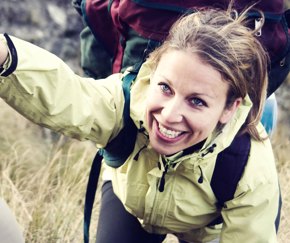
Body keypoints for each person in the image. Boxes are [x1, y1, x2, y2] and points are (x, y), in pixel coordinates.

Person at [0, 6, 281, 243]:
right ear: (153, 72)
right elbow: (67, 95)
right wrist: (5, 56)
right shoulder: (127, 99)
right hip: (132, 203)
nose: (169, 115)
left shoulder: (249, 168)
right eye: (166, 88)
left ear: (229, 108)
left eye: (196, 101)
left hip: (210, 226)